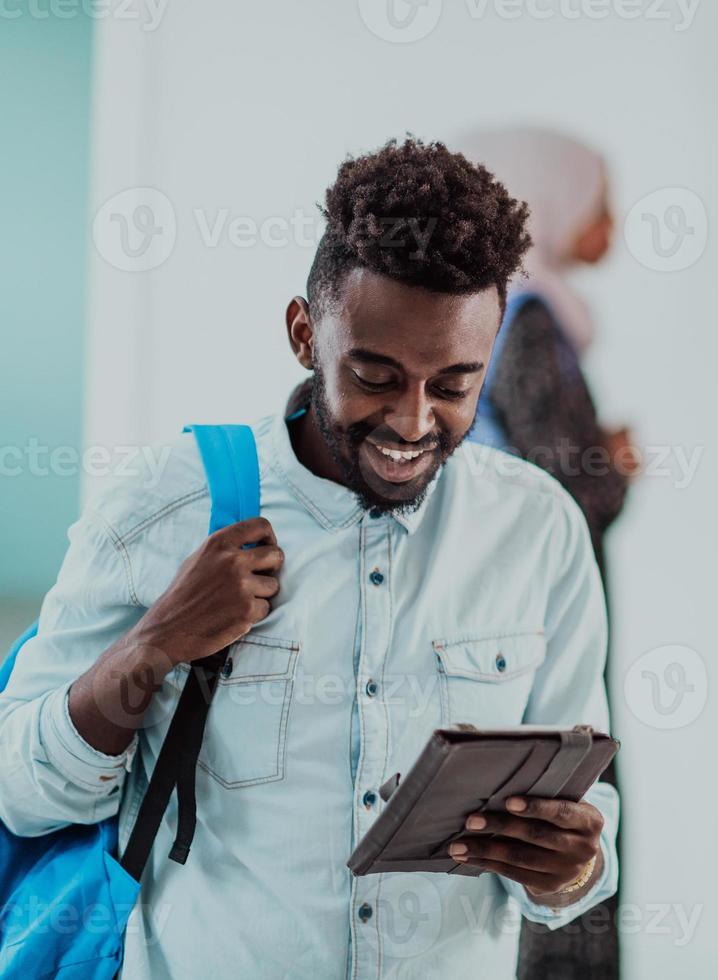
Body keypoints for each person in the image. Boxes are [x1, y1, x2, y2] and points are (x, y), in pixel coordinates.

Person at [0, 138, 621, 979]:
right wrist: (151, 649)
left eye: (452, 387)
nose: (410, 422)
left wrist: (576, 866)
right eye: (374, 375)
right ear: (304, 333)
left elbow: (579, 835)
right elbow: (21, 792)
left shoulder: (539, 531)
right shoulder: (164, 508)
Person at [456, 127, 633, 980]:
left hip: (508, 591)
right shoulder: (528, 315)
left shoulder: (507, 309)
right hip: (539, 597)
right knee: (562, 804)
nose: (617, 222)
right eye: (603, 198)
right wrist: (615, 465)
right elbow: (574, 483)